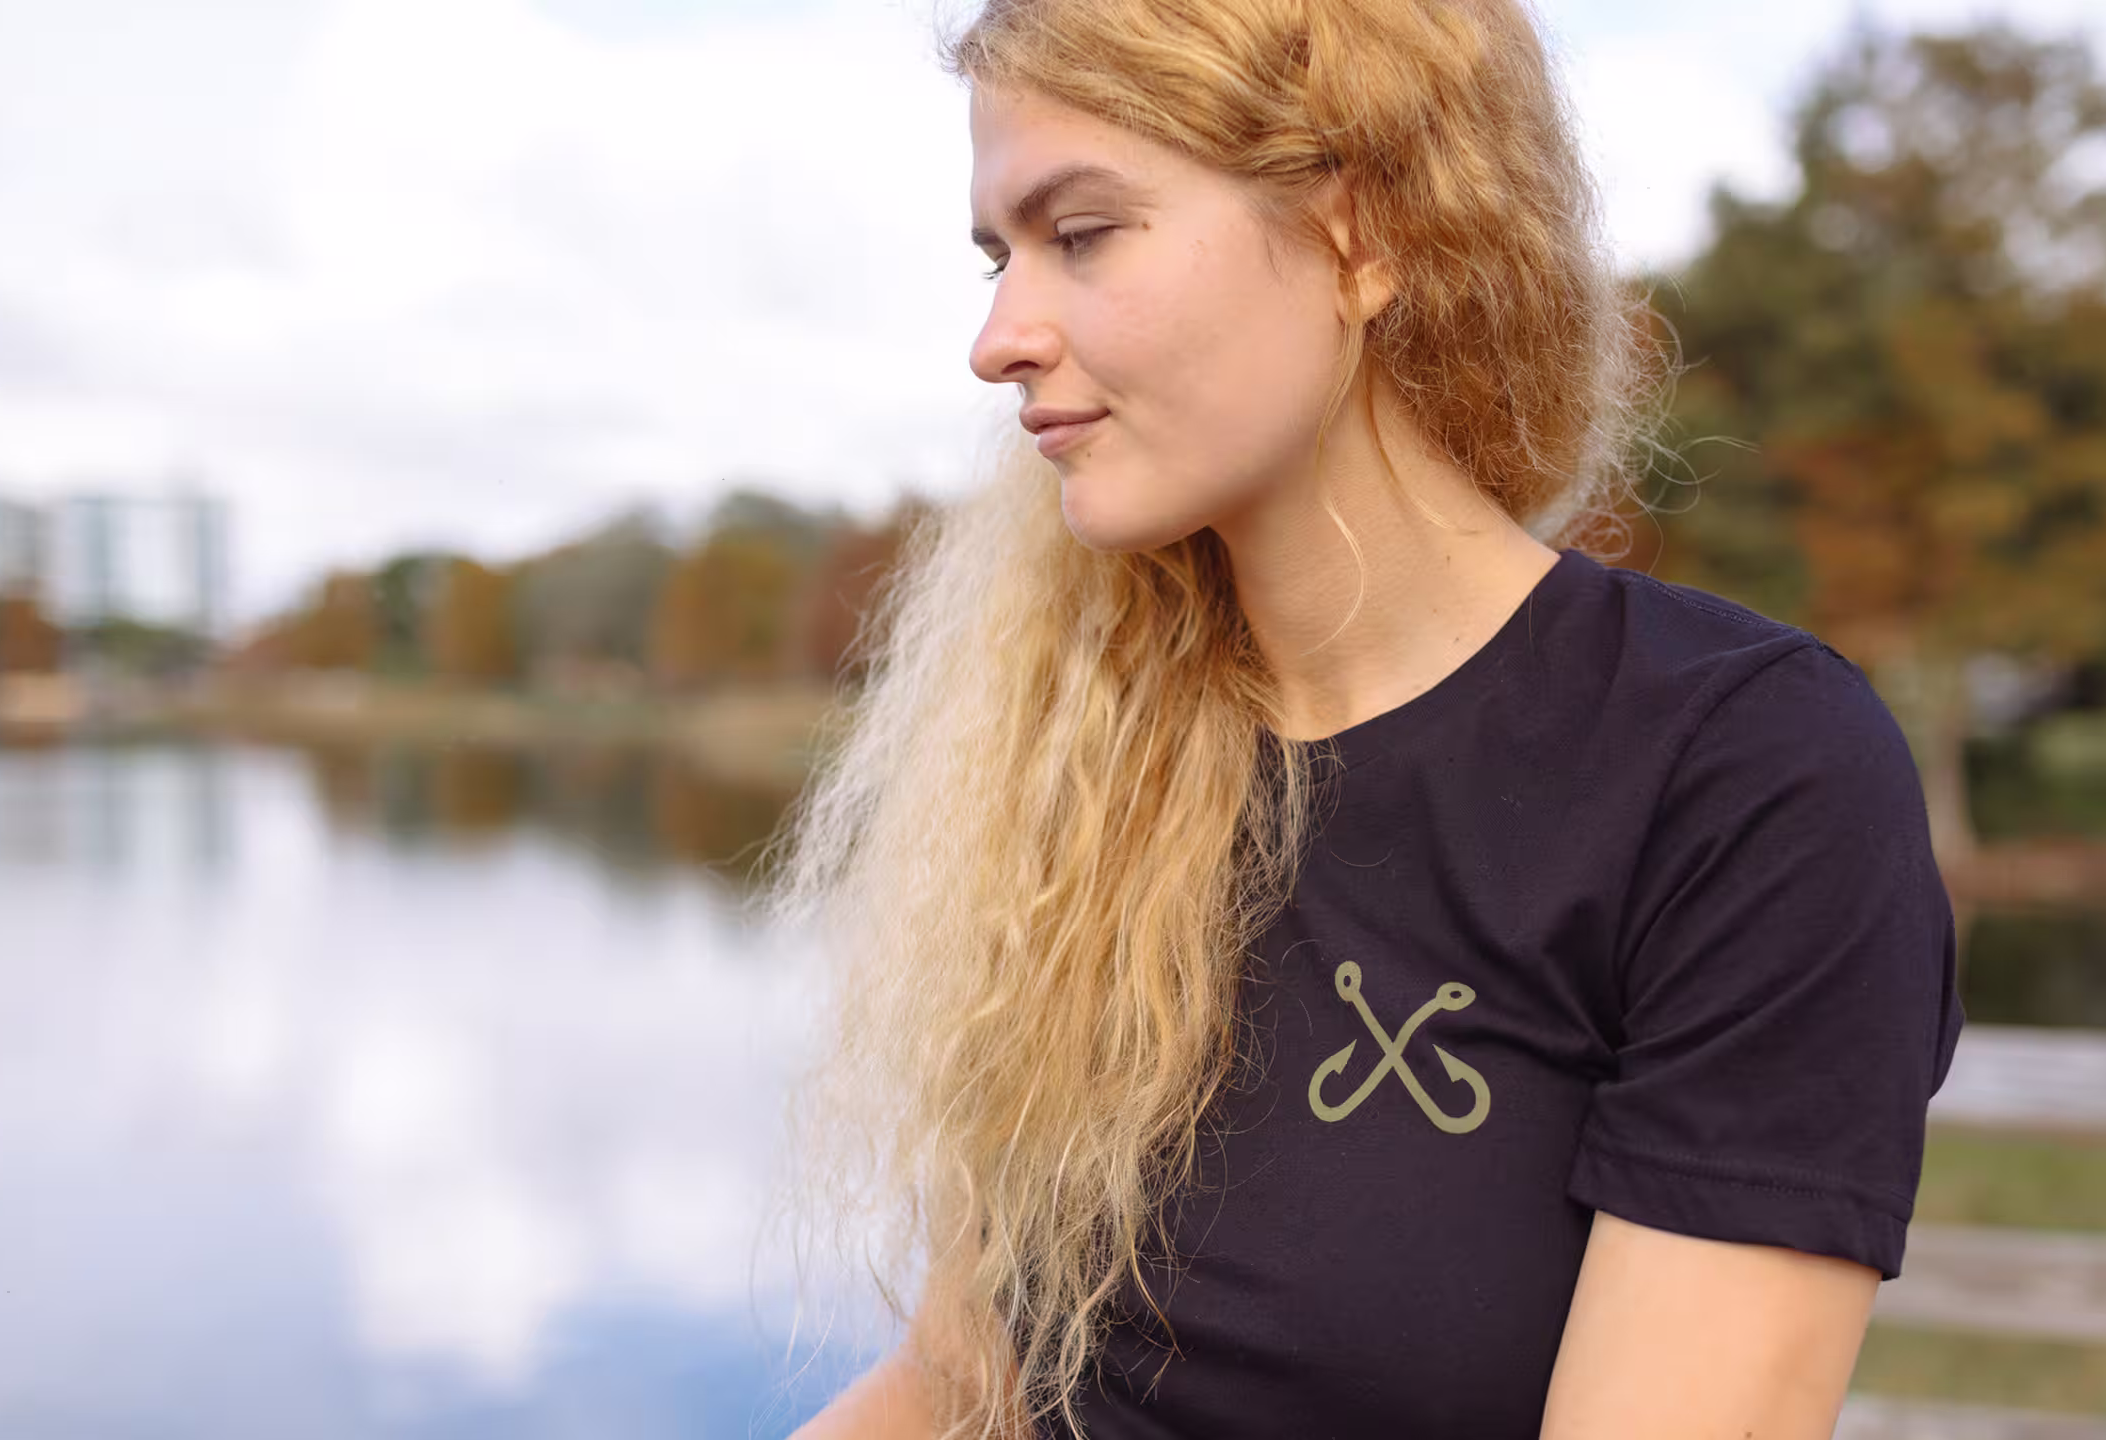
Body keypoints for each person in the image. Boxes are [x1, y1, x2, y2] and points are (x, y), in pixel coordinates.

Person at [762, 0, 1966, 1435]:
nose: (999, 338)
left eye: (1081, 235)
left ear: (1363, 230)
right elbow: (959, 1386)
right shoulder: (1094, 764)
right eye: (994, 256)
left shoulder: (1745, 779)